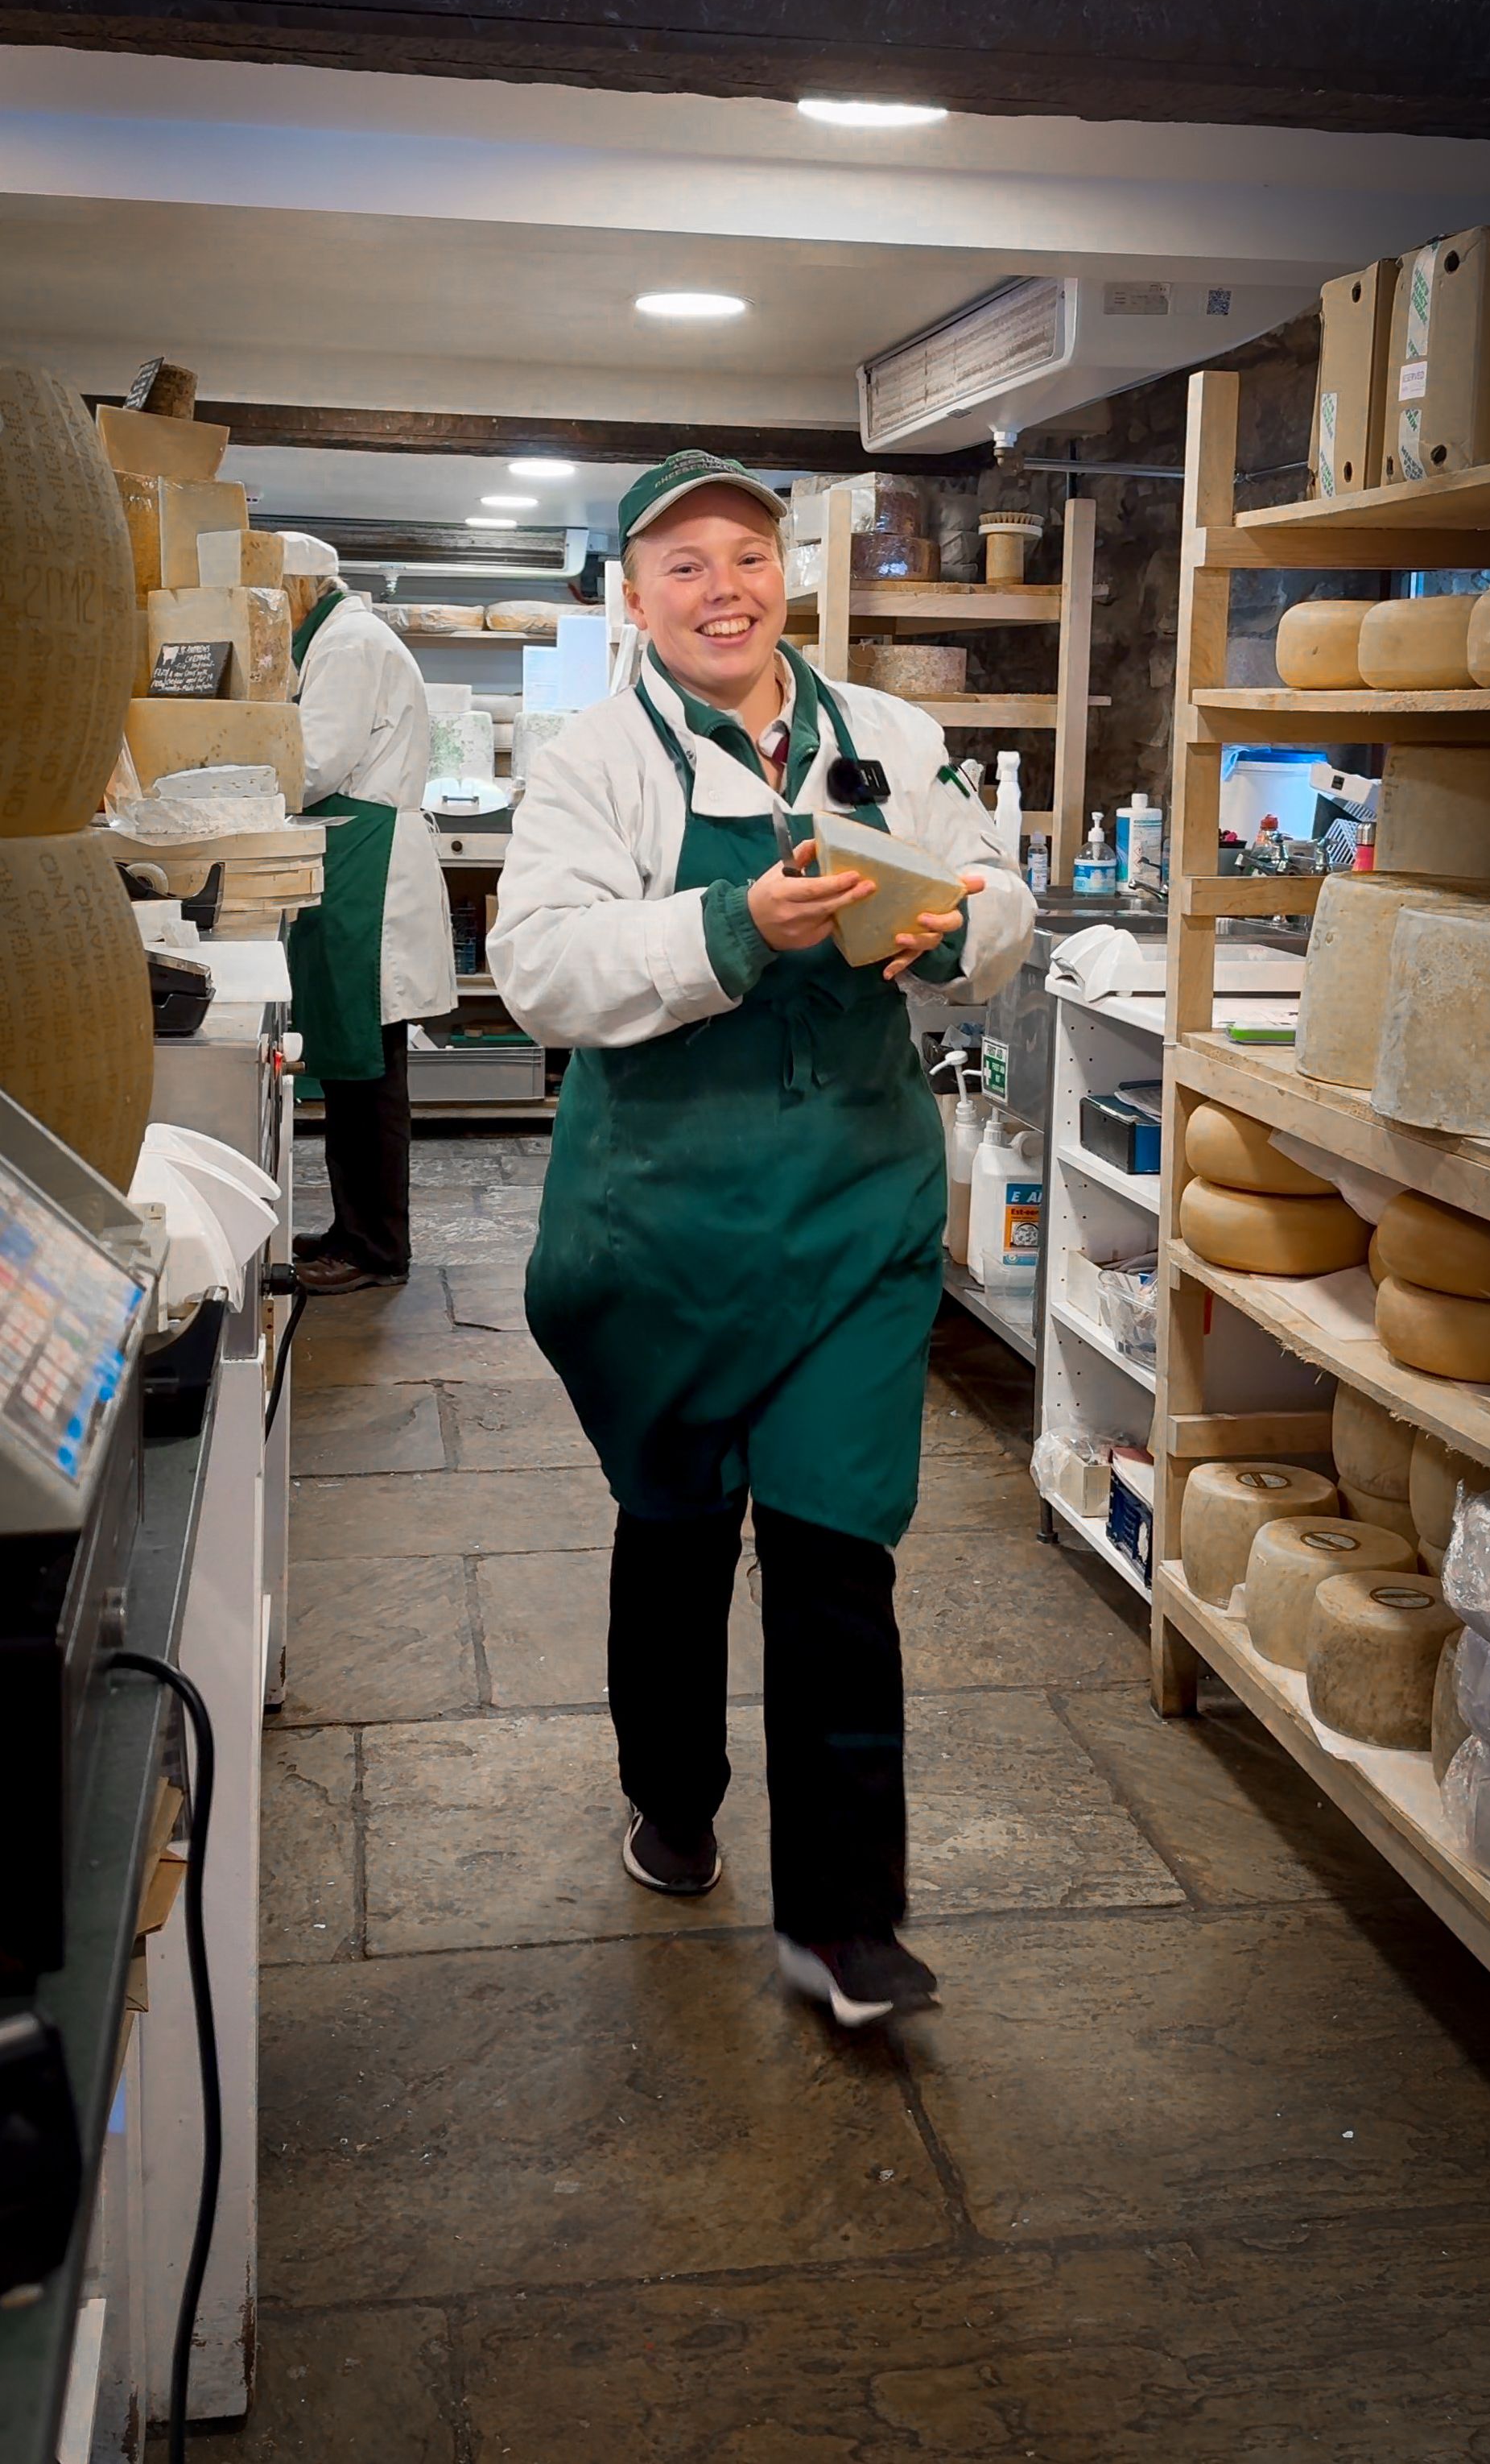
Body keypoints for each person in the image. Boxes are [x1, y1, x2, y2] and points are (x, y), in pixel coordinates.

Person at [489, 453, 1034, 2025]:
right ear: (637, 594)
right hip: (660, 1224)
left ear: (781, 573)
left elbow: (997, 896)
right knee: (672, 1539)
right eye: (682, 565)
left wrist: (962, 926)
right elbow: (536, 971)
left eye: (746, 555)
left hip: (853, 1209)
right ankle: (673, 1796)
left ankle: (843, 1923)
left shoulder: (888, 737)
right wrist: (731, 927)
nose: (721, 588)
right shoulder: (593, 761)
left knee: (831, 1548)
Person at [282, 532, 456, 1295]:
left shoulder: (348, 642)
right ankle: (355, 1226)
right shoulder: (338, 637)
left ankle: (377, 1246)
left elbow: (317, 761)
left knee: (371, 1068)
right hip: (357, 859)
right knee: (357, 1071)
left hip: (370, 866)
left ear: (299, 589)